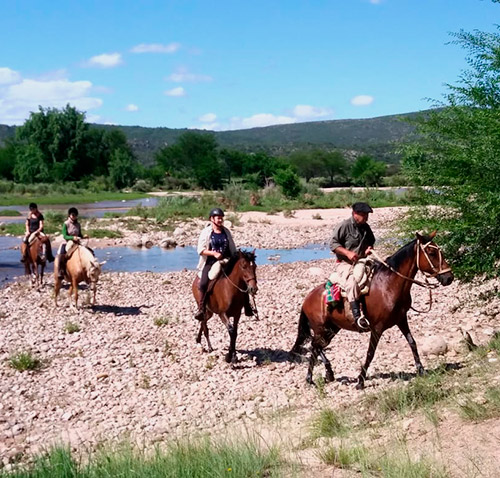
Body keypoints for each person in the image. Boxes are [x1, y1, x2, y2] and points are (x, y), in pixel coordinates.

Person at [194, 207, 255, 321]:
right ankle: (201, 308)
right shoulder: (206, 232)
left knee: (242, 278)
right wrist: (214, 253)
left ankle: (247, 306)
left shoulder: (226, 231)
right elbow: (200, 250)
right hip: (211, 261)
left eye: (221, 218)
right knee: (203, 282)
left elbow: (232, 247)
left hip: (227, 260)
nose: (220, 220)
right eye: (218, 218)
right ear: (212, 219)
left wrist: (237, 256)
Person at [329, 202, 375, 329]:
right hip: (345, 263)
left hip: (362, 261)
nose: (366, 217)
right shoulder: (344, 226)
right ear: (355, 214)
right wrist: (347, 253)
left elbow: (371, 241)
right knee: (351, 283)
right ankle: (356, 316)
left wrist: (368, 249)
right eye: (364, 215)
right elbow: (333, 244)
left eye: (367, 215)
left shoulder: (366, 227)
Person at [55, 207, 88, 279]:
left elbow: (79, 234)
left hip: (77, 241)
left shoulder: (78, 224)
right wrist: (72, 238)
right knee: (62, 253)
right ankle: (61, 270)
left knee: (88, 251)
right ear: (69, 215)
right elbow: (64, 235)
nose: (73, 216)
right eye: (72, 215)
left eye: (75, 215)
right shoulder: (66, 224)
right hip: (67, 241)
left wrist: (83, 236)